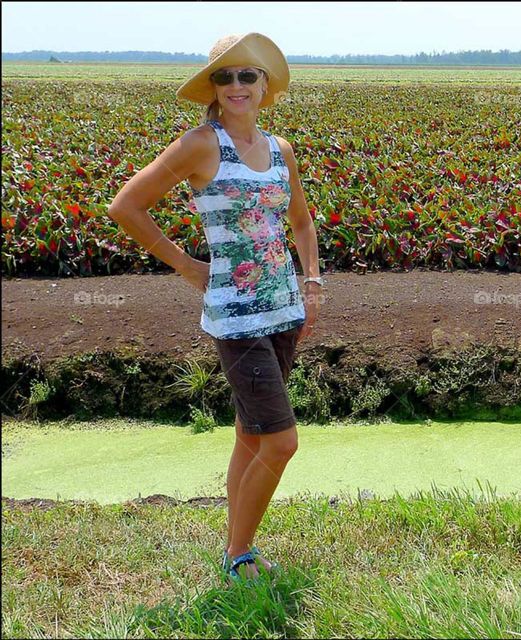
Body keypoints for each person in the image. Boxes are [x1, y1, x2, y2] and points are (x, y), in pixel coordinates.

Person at [106, 33, 325, 582]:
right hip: (235, 316)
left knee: (250, 436)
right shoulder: (202, 144)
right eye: (224, 77)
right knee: (281, 441)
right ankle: (238, 556)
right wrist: (183, 264)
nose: (235, 86)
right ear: (213, 87)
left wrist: (313, 282)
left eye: (246, 76)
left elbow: (299, 221)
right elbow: (126, 205)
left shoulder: (281, 150)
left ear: (265, 85)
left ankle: (238, 551)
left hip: (282, 310)